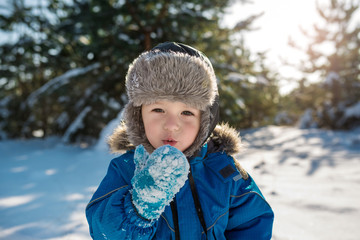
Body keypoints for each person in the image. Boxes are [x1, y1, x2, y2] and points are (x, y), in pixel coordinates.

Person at [85, 42, 274, 239]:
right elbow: (103, 231)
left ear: (205, 121)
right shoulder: (126, 168)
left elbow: (252, 223)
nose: (172, 125)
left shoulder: (224, 169)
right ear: (138, 116)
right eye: (158, 110)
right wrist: (140, 207)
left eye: (186, 112)